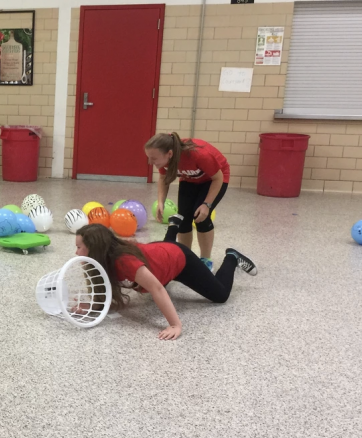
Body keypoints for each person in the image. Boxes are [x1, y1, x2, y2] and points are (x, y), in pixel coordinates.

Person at [75, 219, 256, 341]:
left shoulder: (124, 262)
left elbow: (157, 289)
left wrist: (175, 325)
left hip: (180, 260)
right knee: (158, 263)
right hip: (157, 254)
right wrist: (93, 306)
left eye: (79, 247)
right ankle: (173, 228)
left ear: (96, 249)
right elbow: (104, 288)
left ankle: (231, 257)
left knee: (221, 295)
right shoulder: (101, 260)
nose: (76, 253)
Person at [145, 131, 230, 269]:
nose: (150, 162)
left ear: (170, 154)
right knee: (183, 219)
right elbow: (163, 178)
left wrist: (206, 204)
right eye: (148, 158)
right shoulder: (166, 159)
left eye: (153, 158)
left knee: (201, 217)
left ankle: (205, 260)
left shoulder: (199, 154)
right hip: (190, 178)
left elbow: (218, 178)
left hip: (214, 178)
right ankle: (186, 257)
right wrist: (161, 201)